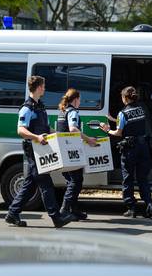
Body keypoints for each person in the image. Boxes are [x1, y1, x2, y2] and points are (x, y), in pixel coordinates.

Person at [5, 76, 76, 228]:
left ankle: (12, 213)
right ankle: (56, 217)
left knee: (30, 185)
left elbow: (46, 128)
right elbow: (21, 130)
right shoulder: (27, 108)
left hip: (41, 148)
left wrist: (57, 135)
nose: (44, 89)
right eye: (43, 86)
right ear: (38, 88)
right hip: (33, 150)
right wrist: (36, 137)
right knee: (45, 183)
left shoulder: (40, 106)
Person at [100, 86, 152, 218]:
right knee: (143, 178)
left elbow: (119, 133)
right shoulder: (140, 109)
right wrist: (114, 119)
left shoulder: (123, 113)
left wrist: (107, 130)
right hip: (143, 147)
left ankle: (131, 208)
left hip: (130, 149)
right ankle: (149, 204)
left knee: (128, 178)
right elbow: (130, 123)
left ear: (125, 98)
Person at [56, 88, 97, 221]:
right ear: (76, 99)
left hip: (63, 150)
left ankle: (74, 211)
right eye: (80, 99)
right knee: (76, 180)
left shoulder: (63, 111)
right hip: (70, 152)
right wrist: (89, 140)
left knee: (71, 181)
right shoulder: (73, 112)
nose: (80, 102)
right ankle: (64, 210)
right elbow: (73, 129)